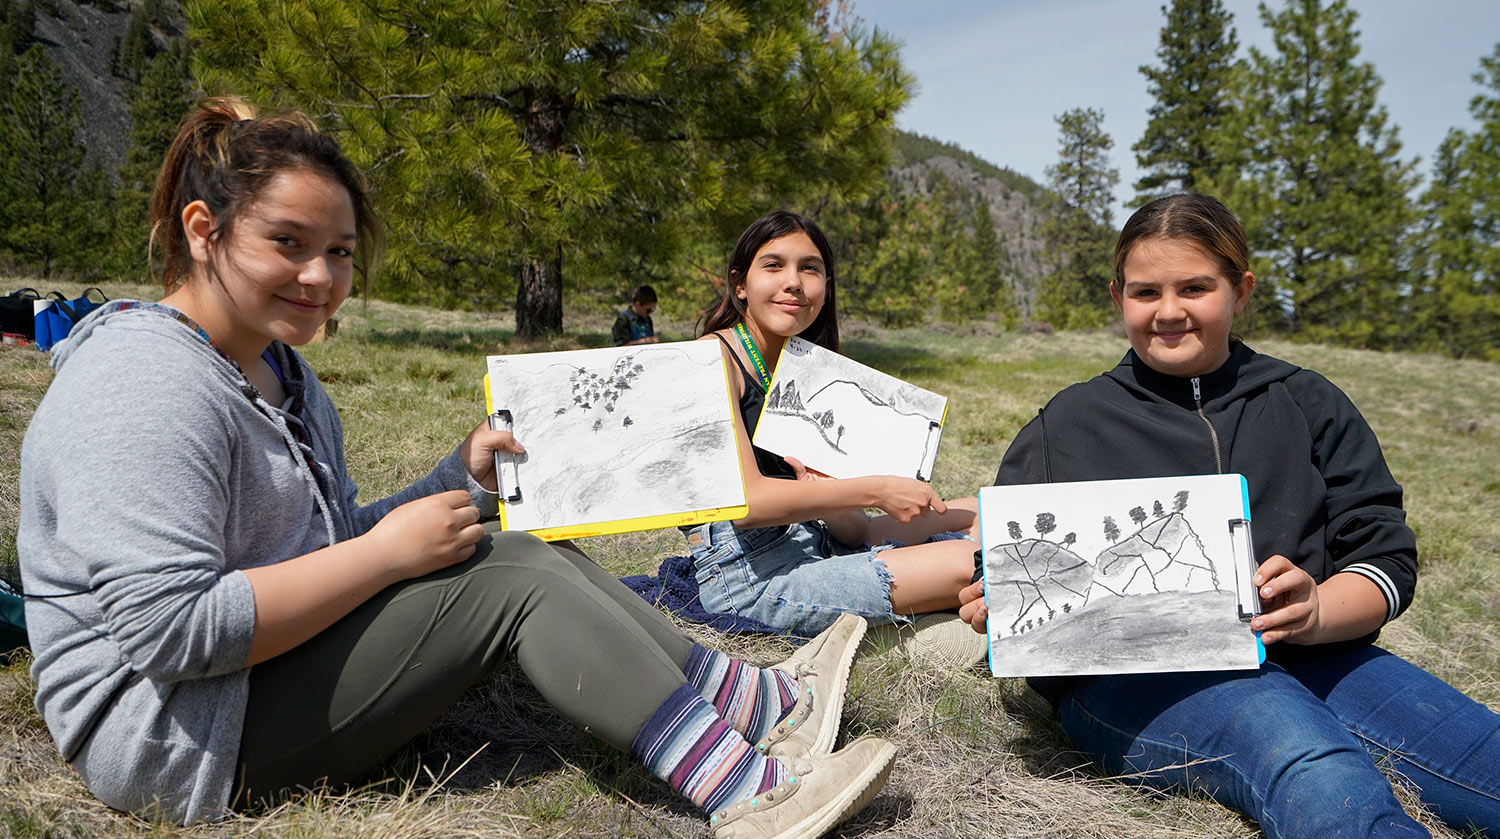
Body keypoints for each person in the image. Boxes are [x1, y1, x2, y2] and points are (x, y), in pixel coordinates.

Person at [16, 97, 898, 835]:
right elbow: (171, 632)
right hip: (179, 734)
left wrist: (461, 480)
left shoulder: (280, 369)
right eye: (289, 242)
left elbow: (325, 541)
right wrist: (384, 556)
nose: (321, 275)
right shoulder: (139, 381)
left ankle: (756, 705)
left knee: (516, 540)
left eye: (341, 250)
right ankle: (744, 792)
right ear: (202, 231)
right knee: (503, 583)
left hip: (258, 673)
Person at [956, 193, 1500, 838]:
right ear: (1116, 296)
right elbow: (1006, 569)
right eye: (1144, 292)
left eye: (1194, 287)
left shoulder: (1308, 401)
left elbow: (1383, 554)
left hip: (1319, 656)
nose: (1168, 312)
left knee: (1483, 757)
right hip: (1131, 684)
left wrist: (1318, 612)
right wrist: (995, 599)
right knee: (1317, 768)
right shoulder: (1066, 423)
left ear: (1241, 290)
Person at [684, 210, 981, 653]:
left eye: (810, 268)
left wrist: (831, 490)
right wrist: (876, 490)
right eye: (773, 265)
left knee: (983, 513)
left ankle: (917, 612)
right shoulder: (713, 358)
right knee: (966, 563)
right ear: (740, 284)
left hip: (813, 543)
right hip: (750, 578)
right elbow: (747, 506)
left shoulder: (807, 371)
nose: (794, 281)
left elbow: (850, 531)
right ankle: (927, 626)